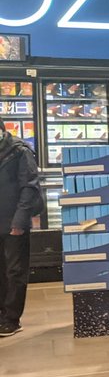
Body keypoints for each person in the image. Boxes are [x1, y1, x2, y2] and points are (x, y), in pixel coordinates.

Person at [0, 128, 42, 337]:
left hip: (14, 221)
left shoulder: (19, 151)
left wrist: (20, 220)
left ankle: (11, 319)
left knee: (14, 270)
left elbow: (30, 186)